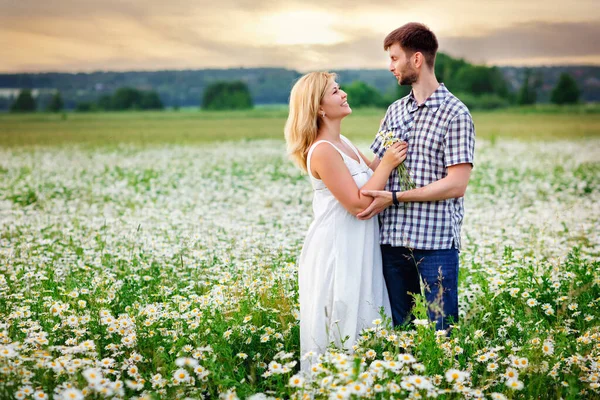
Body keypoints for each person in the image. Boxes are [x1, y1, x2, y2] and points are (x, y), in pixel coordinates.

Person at [284, 72, 406, 372]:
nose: (344, 94)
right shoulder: (323, 150)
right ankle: (336, 383)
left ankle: (364, 383)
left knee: (364, 308)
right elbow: (359, 203)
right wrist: (388, 163)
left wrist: (385, 144)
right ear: (320, 108)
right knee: (343, 310)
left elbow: (371, 175)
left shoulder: (344, 143)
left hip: (358, 243)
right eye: (335, 91)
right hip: (338, 246)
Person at [358, 23, 475, 333]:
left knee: (443, 331)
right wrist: (336, 148)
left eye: (395, 58)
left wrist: (396, 197)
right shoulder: (394, 111)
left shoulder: (455, 113)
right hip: (392, 240)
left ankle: (445, 381)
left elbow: (456, 184)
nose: (390, 66)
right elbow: (377, 166)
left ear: (417, 59)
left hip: (435, 243)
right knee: (400, 331)